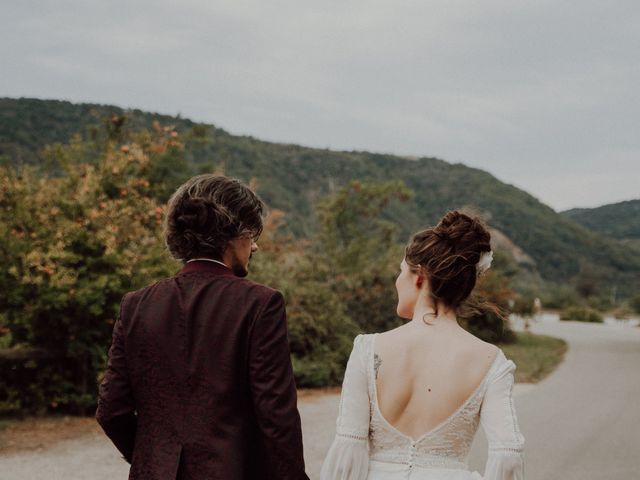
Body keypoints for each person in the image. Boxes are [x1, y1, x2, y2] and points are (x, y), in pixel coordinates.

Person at [96, 175, 309, 480]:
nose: (255, 246)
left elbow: (111, 410)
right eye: (251, 234)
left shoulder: (136, 304)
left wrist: (153, 459)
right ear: (234, 236)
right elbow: (277, 419)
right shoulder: (261, 304)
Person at [320, 211, 525, 479]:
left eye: (400, 271)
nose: (397, 281)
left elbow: (348, 449)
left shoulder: (368, 350)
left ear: (419, 275)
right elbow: (508, 454)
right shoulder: (491, 361)